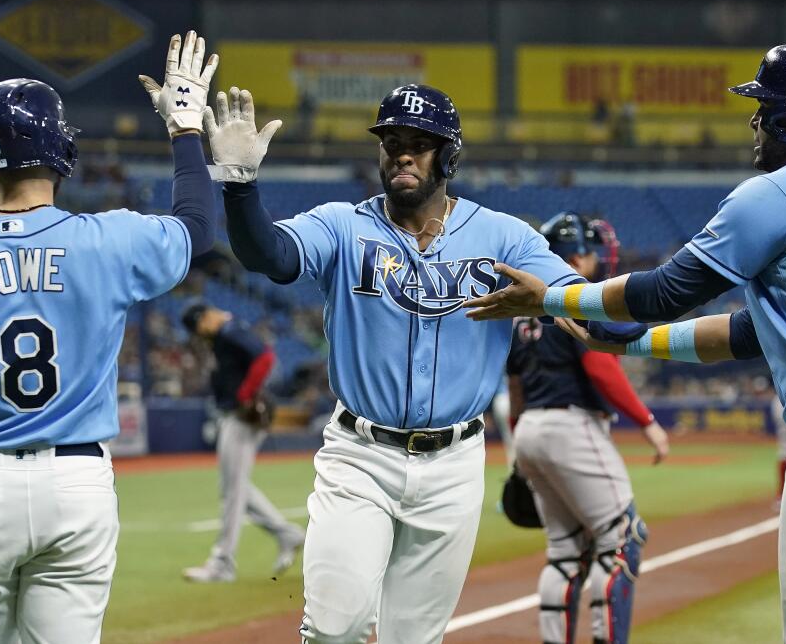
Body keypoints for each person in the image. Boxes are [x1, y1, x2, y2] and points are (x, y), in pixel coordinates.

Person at [464, 44, 786, 644]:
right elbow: (748, 331)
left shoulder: (781, 192)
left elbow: (665, 290)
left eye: (765, 106)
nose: (755, 121)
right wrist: (631, 347)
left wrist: (554, 299)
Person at [0, 31, 220, 643]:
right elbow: (198, 228)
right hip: (78, 486)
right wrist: (186, 132)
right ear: (61, 150)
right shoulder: (109, 240)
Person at [201, 82, 584, 644]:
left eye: (420, 143)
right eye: (391, 141)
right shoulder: (341, 225)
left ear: (449, 155)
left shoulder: (504, 237)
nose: (402, 152)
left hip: (455, 464)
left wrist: (562, 300)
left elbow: (583, 301)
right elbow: (270, 256)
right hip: (360, 456)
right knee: (335, 630)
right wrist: (239, 186)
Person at [506, 211, 669, 644]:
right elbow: (599, 365)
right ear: (575, 259)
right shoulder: (573, 296)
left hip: (529, 430)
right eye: (588, 254)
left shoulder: (522, 311)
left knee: (564, 555)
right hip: (571, 424)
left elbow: (515, 387)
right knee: (623, 540)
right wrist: (647, 422)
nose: (595, 261)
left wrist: (520, 453)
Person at [180, 301, 306, 582]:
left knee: (232, 492)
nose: (199, 334)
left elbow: (265, 358)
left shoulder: (229, 330)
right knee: (234, 487)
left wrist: (246, 394)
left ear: (203, 320)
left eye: (198, 327)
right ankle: (287, 534)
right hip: (234, 415)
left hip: (241, 416)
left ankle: (223, 563)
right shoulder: (226, 331)